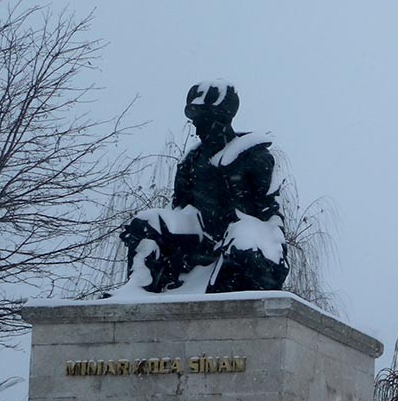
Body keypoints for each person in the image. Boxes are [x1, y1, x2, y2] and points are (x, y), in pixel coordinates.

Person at [116, 81, 289, 295]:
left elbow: (271, 210)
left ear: (220, 118)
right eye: (195, 120)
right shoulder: (192, 161)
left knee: (242, 239)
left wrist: (275, 248)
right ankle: (138, 287)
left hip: (242, 233)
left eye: (202, 119)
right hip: (199, 236)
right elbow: (180, 209)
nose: (197, 127)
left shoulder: (253, 157)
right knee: (147, 223)